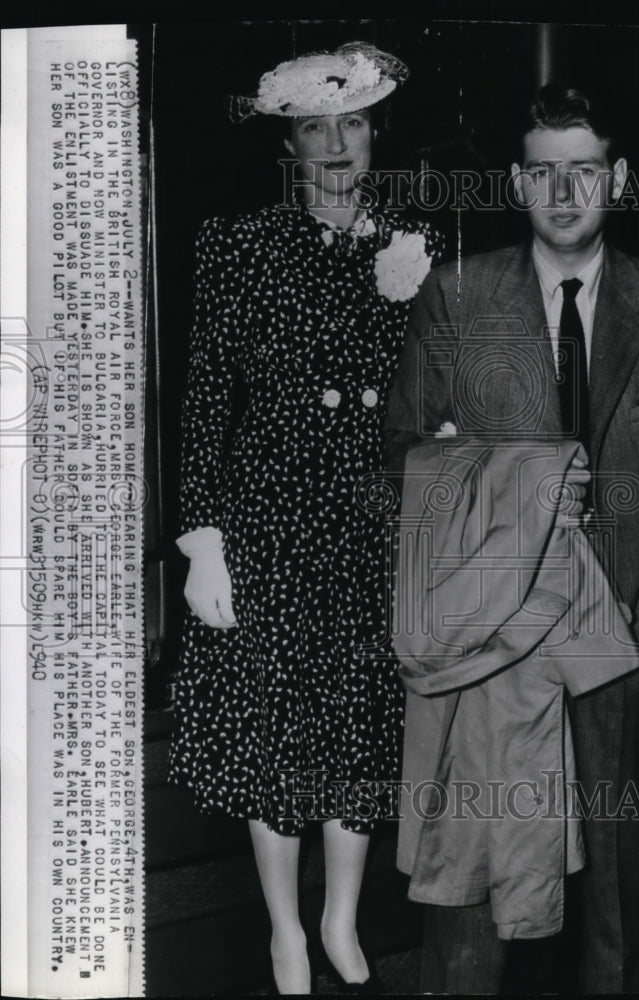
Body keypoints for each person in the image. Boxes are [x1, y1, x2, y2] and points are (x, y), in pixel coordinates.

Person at [166, 41, 445, 995]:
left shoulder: (418, 240)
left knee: (363, 724)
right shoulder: (238, 245)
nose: (335, 143)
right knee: (277, 729)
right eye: (315, 127)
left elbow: (436, 391)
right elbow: (206, 400)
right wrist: (202, 540)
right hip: (270, 517)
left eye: (353, 123)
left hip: (374, 520)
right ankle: (285, 928)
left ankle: (339, 917)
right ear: (290, 141)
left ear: (373, 135)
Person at [386, 83, 639, 995]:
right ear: (515, 183)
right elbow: (401, 462)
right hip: (494, 642)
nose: (563, 195)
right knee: (472, 910)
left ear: (615, 177)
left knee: (617, 889)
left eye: (582, 172)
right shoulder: (458, 295)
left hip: (627, 642)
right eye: (542, 173)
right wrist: (512, 502)